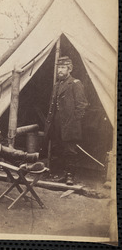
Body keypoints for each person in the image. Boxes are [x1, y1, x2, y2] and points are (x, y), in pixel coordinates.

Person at [44, 56, 88, 185]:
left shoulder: (75, 83)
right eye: (59, 67)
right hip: (57, 123)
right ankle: (62, 173)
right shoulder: (57, 84)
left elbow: (82, 105)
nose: (60, 70)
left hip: (70, 124)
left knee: (70, 150)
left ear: (69, 69)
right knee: (59, 148)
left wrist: (74, 122)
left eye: (63, 67)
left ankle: (70, 176)